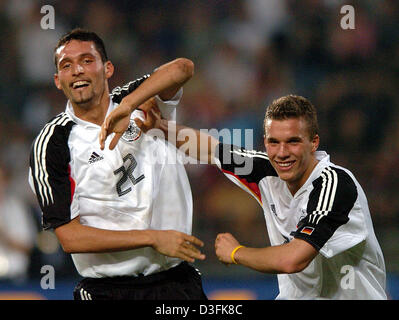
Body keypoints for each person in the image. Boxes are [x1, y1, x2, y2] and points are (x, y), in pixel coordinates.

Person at [100, 94, 387, 300]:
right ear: (265, 142)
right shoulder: (266, 170)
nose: (282, 152)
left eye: (293, 142)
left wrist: (237, 253)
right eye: (274, 142)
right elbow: (211, 149)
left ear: (314, 143)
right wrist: (161, 127)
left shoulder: (334, 185)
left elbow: (294, 259)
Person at [28, 28, 207, 300]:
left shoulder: (140, 100)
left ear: (107, 68)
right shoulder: (52, 143)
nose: (77, 70)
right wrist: (152, 237)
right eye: (67, 65)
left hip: (177, 282)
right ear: (57, 80)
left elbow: (183, 68)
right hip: (107, 291)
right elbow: (70, 238)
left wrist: (127, 106)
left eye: (87, 61)